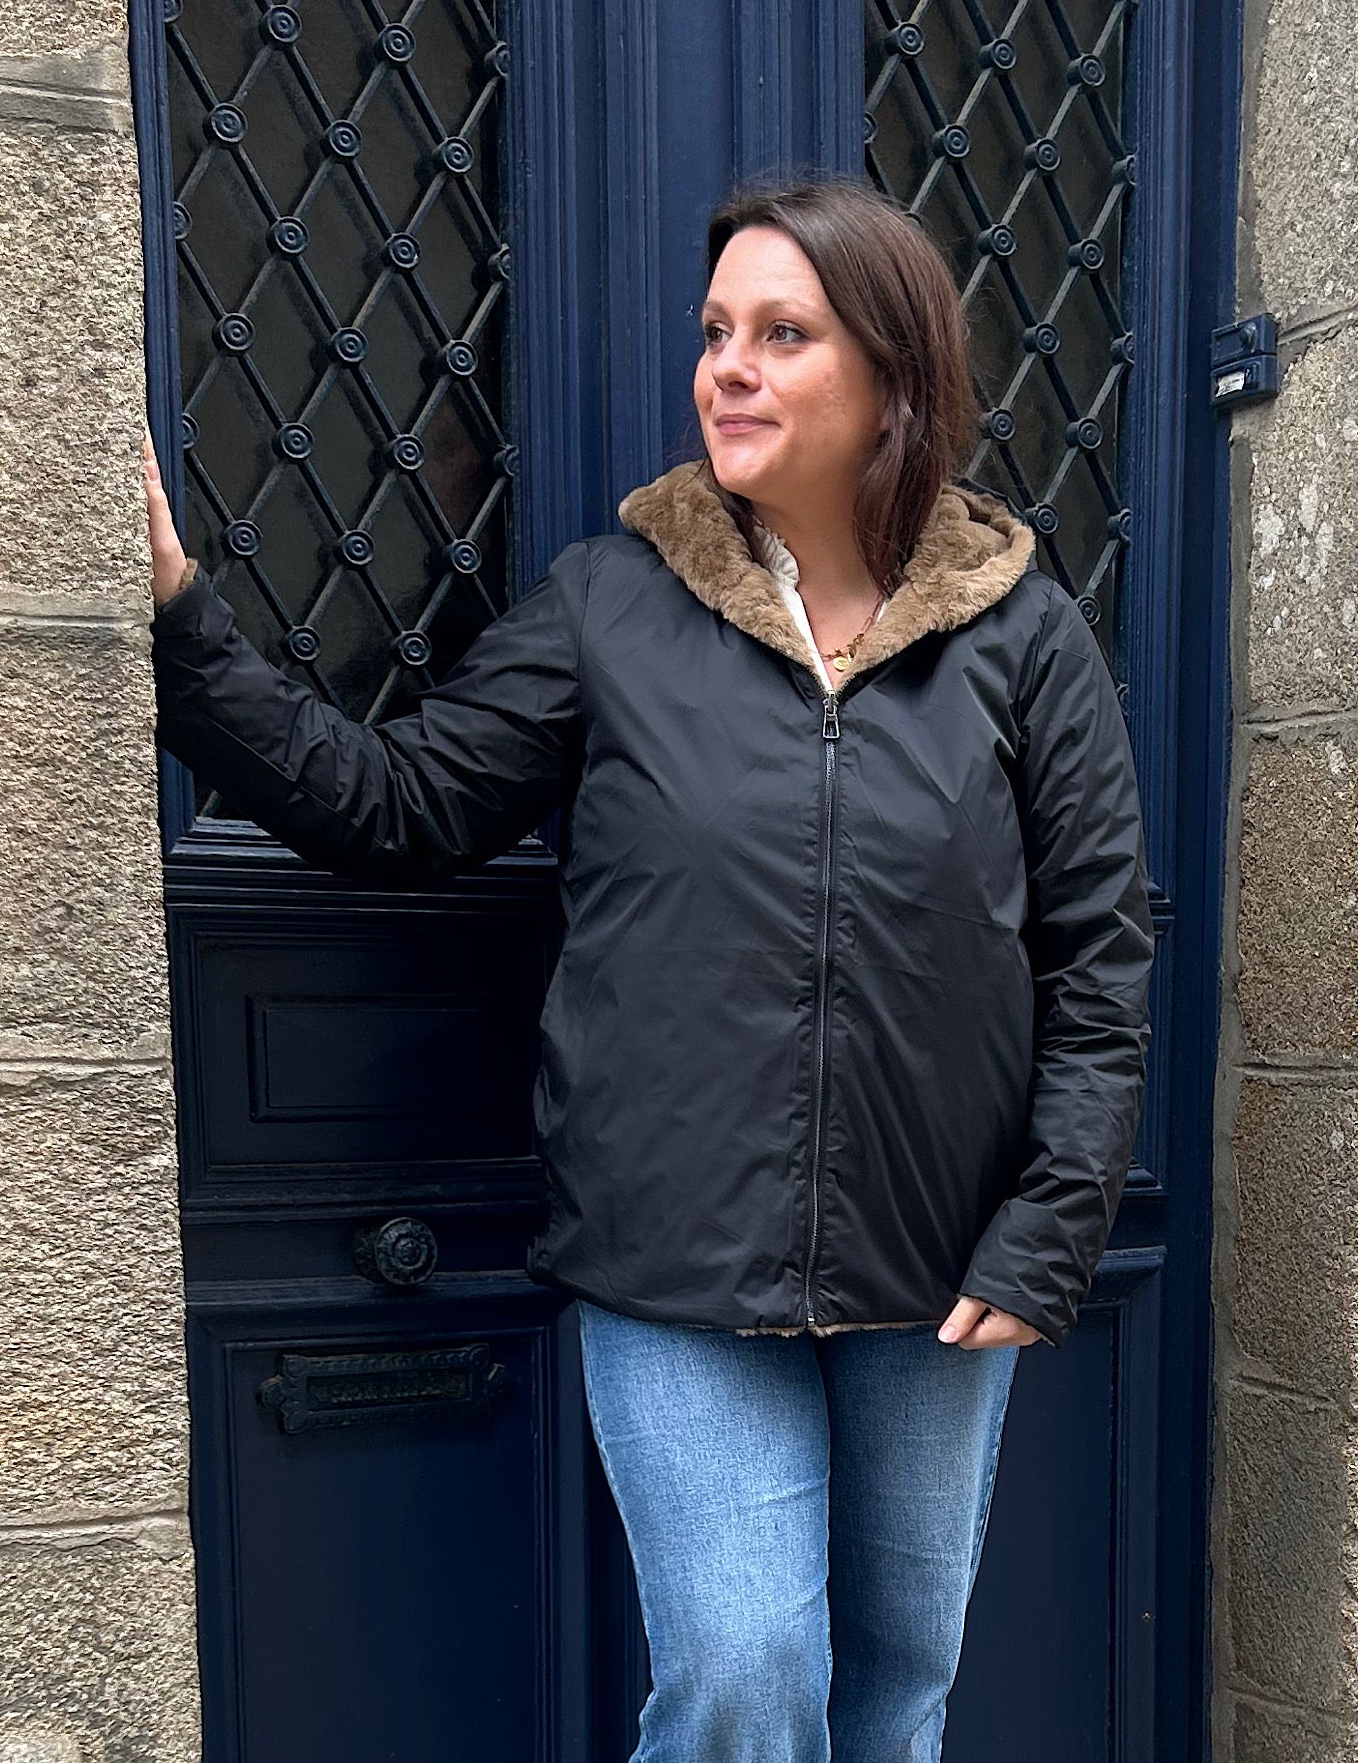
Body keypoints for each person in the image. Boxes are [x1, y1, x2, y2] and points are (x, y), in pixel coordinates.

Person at [142, 173, 1156, 1763]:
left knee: (900, 1679)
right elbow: (398, 803)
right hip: (676, 1255)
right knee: (745, 1673)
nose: (727, 368)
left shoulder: (1021, 634)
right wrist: (183, 627)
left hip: (943, 1264)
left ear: (893, 374)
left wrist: (1049, 1233)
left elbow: (1098, 955)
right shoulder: (615, 602)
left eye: (782, 334)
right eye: (715, 333)